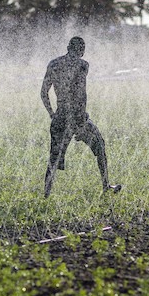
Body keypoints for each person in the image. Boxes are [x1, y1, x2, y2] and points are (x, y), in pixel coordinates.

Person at [40, 36, 121, 198]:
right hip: (78, 118)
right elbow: (79, 94)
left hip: (60, 116)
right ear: (82, 51)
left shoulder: (53, 64)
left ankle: (46, 195)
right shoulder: (83, 65)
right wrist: (80, 121)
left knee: (53, 159)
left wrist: (52, 114)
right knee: (100, 147)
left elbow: (44, 92)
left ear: (68, 47)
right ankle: (105, 186)